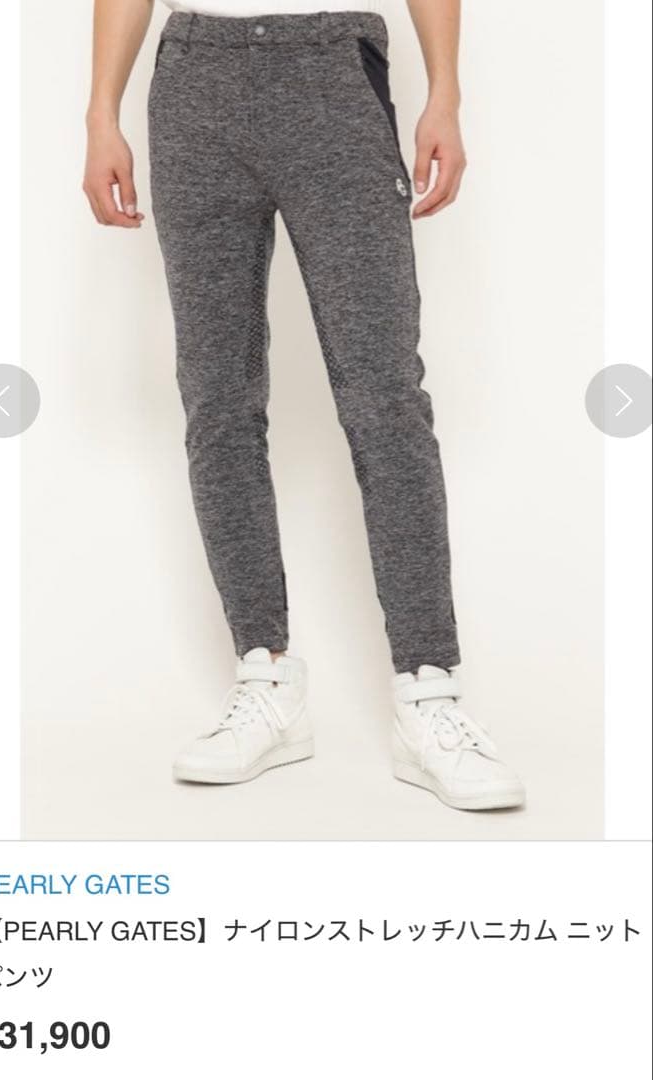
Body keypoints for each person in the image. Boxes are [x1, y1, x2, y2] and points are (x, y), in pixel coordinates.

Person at [84, 0, 525, 811]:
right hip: (193, 83)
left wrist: (445, 94)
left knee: (384, 397)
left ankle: (427, 687)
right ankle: (267, 676)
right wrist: (100, 115)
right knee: (217, 397)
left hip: (335, 72)